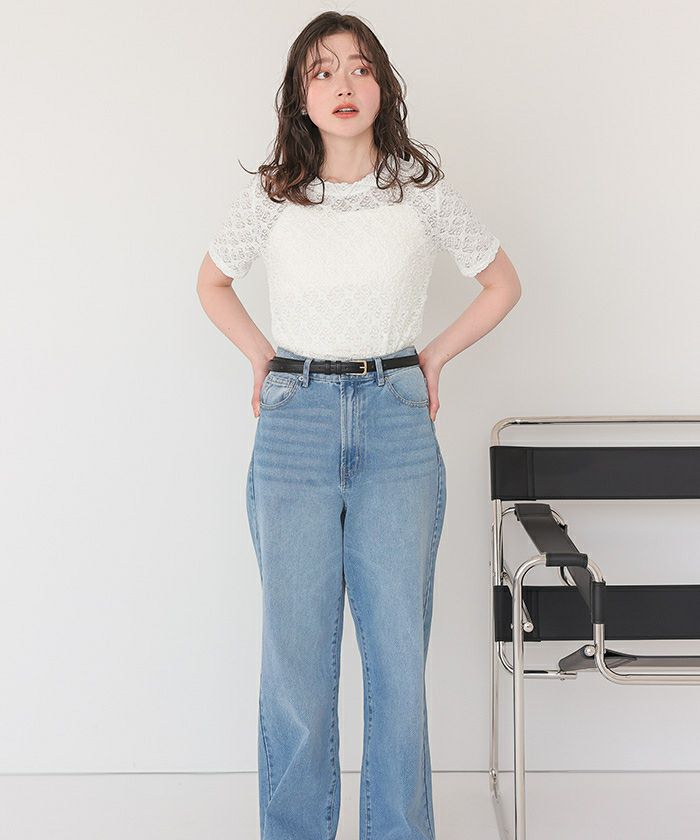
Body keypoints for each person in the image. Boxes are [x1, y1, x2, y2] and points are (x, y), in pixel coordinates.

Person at [197, 11, 521, 840]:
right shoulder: (276, 194)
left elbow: (502, 284)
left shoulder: (418, 190)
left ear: (382, 86)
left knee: (396, 662)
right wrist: (263, 359)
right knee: (296, 664)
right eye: (323, 71)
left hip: (396, 426)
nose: (343, 84)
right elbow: (211, 283)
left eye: (360, 67)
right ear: (300, 97)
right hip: (296, 425)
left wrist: (433, 358)